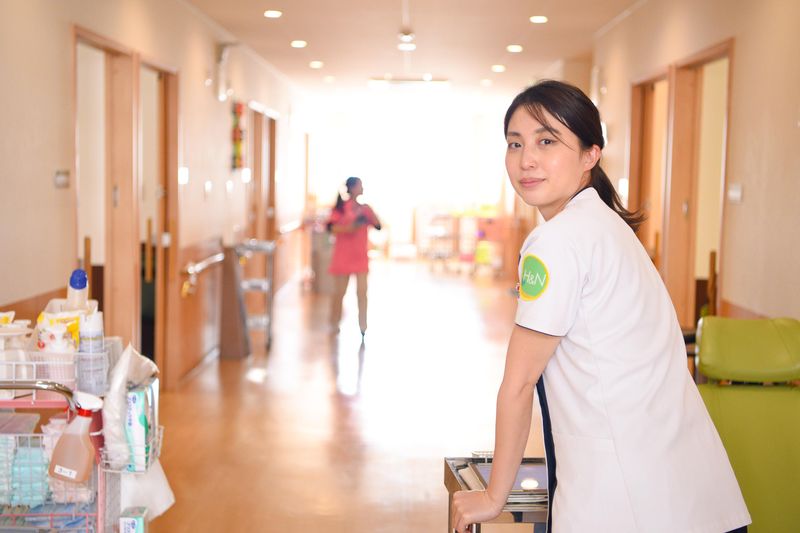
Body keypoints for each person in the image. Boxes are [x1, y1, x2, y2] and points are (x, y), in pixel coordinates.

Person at [451, 80, 750, 533]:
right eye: (515, 143)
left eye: (547, 141)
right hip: (693, 493)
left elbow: (519, 383)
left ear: (590, 154)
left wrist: (494, 497)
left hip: (628, 502)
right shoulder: (608, 227)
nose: (526, 159)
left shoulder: (557, 242)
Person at [327, 177, 381, 336]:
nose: (362, 188)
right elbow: (330, 228)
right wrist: (349, 228)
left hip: (360, 258)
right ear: (352, 188)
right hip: (343, 257)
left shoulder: (365, 209)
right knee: (339, 293)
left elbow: (378, 226)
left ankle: (363, 326)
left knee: (362, 293)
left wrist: (371, 214)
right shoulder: (340, 208)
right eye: (360, 185)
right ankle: (334, 323)